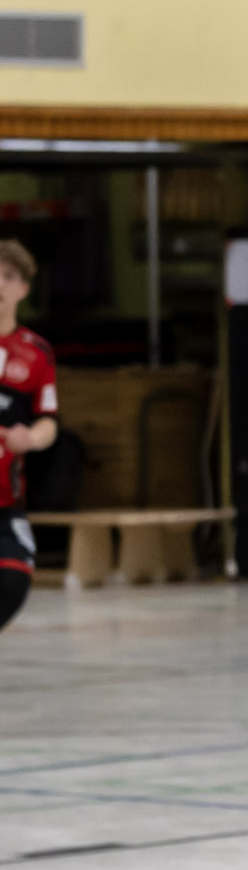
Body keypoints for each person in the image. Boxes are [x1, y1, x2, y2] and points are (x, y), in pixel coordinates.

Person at [0, 240, 57, 632]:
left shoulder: (36, 353)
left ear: (23, 289)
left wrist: (32, 438)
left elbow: (48, 420)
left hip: (5, 502)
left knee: (13, 580)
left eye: (8, 277)